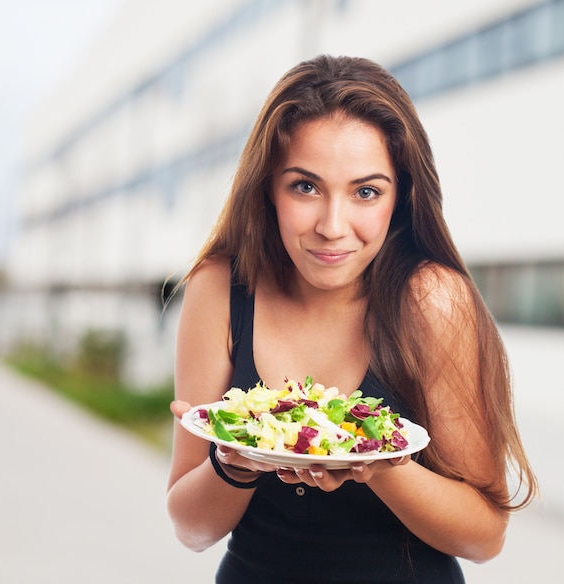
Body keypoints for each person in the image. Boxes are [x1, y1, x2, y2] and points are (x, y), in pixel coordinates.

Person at [166, 55, 538, 583]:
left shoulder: (432, 298)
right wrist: (232, 464)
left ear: (400, 196)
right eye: (305, 186)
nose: (333, 227)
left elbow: (483, 536)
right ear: (268, 187)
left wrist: (381, 467)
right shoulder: (220, 288)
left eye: (366, 192)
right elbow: (191, 529)